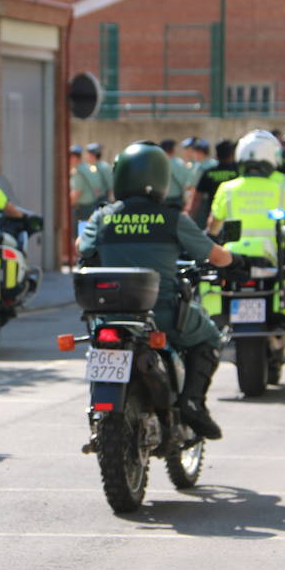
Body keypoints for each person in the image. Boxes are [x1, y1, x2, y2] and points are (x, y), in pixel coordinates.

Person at [78, 141, 247, 440]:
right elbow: (216, 256)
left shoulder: (102, 217)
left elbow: (82, 248)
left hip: (109, 315)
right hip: (162, 315)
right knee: (209, 336)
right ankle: (192, 403)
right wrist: (238, 261)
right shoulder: (172, 218)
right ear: (160, 179)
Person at [207, 130, 285, 264]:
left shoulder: (226, 188)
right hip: (271, 260)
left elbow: (213, 227)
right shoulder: (281, 190)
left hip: (234, 260)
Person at [186, 139, 238, 229]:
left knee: (212, 236)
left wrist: (191, 217)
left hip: (213, 217)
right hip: (234, 216)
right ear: (232, 154)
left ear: (217, 155)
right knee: (231, 237)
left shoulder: (209, 173)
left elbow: (197, 198)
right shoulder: (238, 172)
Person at [69, 144, 106, 228]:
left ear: (74, 158)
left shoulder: (78, 172)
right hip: (92, 206)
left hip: (83, 210)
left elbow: (75, 194)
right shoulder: (87, 168)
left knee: (82, 233)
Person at [159, 139, 195, 207]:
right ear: (172, 149)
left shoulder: (157, 162)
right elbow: (185, 183)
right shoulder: (176, 162)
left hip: (160, 198)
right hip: (174, 200)